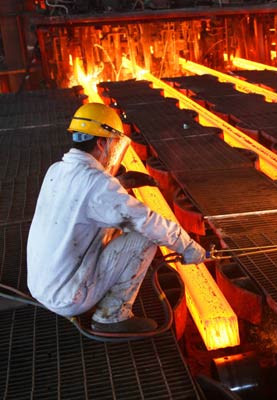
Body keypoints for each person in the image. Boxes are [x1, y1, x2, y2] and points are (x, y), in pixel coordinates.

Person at [27, 102, 205, 333]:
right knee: (144, 237)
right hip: (68, 296)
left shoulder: (56, 170)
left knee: (117, 228)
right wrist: (189, 247)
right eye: (113, 144)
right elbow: (147, 222)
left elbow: (80, 201)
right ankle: (112, 317)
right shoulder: (98, 185)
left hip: (42, 285)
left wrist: (121, 184)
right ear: (102, 142)